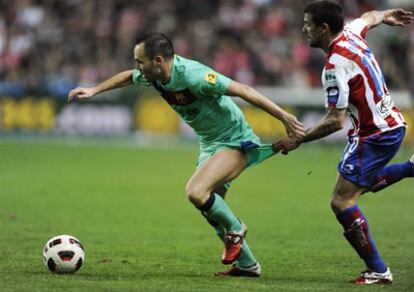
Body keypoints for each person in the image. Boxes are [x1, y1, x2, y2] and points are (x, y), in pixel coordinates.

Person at [68, 33, 305, 277]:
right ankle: (248, 265)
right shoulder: (155, 75)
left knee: (196, 192)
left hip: (234, 139)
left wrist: (284, 116)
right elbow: (128, 77)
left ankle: (237, 228)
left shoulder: (194, 76)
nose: (137, 67)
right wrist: (94, 90)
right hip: (209, 144)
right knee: (211, 212)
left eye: (140, 61)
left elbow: (243, 89)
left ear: (158, 61)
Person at [274, 0, 414, 285]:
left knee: (341, 201)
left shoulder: (335, 65)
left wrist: (299, 139)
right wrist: (387, 15)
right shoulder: (351, 31)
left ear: (324, 28)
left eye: (307, 25)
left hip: (374, 134)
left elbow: (335, 120)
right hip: (391, 125)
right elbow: (370, 16)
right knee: (364, 184)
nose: (303, 29)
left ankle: (378, 270)